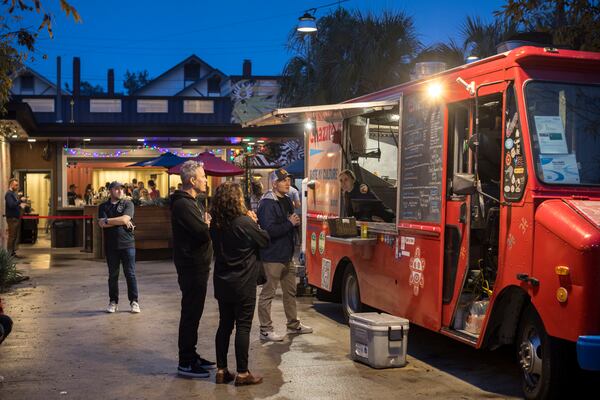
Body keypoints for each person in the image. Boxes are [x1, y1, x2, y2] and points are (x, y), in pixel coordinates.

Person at [210, 182, 269, 386]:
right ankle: (243, 373)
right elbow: (264, 240)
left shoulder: (215, 224)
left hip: (222, 281)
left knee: (224, 325)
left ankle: (221, 370)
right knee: (243, 326)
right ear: (237, 199)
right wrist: (255, 222)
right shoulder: (244, 222)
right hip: (243, 281)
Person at [170, 160, 215, 378]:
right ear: (191, 180)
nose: (206, 180)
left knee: (194, 313)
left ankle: (191, 354)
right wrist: (206, 225)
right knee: (190, 313)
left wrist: (204, 224)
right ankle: (186, 362)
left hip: (197, 264)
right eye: (203, 176)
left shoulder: (191, 202)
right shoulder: (183, 204)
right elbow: (203, 233)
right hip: (192, 266)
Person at [257, 168, 312, 341]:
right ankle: (265, 329)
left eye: (288, 180)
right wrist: (289, 223)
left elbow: (291, 221)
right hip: (272, 255)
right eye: (283, 180)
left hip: (287, 255)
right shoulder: (267, 203)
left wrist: (295, 224)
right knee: (268, 293)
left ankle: (293, 324)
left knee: (290, 292)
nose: (288, 183)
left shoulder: (287, 200)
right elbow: (269, 231)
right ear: (274, 184)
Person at [98, 181, 140, 314]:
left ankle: (134, 301)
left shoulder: (128, 204)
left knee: (130, 274)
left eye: (122, 189)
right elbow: (102, 224)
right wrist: (119, 221)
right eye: (117, 189)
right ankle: (113, 302)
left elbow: (125, 219)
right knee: (113, 275)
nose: (120, 191)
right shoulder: (103, 206)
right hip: (111, 246)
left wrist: (107, 220)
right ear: (110, 190)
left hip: (127, 244)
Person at [4, 178, 26, 257]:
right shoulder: (9, 194)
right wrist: (20, 201)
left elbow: (14, 204)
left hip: (15, 218)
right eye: (16, 185)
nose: (17, 187)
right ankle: (10, 255)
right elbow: (11, 205)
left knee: (14, 236)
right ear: (11, 185)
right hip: (12, 218)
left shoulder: (12, 193)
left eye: (17, 185)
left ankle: (12, 253)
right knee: (12, 236)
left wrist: (20, 205)